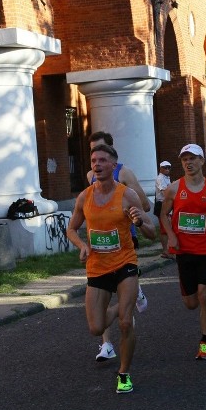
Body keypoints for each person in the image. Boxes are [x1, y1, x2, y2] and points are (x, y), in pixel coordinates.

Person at [66, 144, 156, 393]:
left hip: (125, 263)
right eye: (93, 160)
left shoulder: (127, 195)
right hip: (97, 267)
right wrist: (81, 245)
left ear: (113, 165)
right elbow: (71, 228)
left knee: (126, 323)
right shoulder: (84, 196)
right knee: (96, 327)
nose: (97, 164)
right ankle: (120, 306)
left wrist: (139, 220)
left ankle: (124, 374)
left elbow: (151, 232)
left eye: (103, 160)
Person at [160, 144, 206, 360]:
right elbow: (163, 215)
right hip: (184, 251)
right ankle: (202, 313)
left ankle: (205, 342)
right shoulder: (173, 188)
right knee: (191, 303)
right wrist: (171, 236)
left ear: (202, 161)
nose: (188, 163)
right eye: (184, 160)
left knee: (205, 294)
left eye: (192, 158)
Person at [85, 131, 151, 362]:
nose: (97, 161)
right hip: (100, 250)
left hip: (125, 239)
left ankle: (133, 294)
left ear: (112, 154)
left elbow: (146, 205)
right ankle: (106, 345)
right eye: (93, 155)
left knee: (124, 313)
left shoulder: (125, 173)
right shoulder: (89, 177)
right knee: (100, 310)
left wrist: (131, 213)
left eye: (102, 153)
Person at [154, 160, 173, 258]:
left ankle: (169, 249)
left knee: (168, 226)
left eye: (169, 167)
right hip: (161, 204)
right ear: (160, 169)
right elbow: (165, 193)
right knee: (164, 228)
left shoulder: (166, 178)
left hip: (166, 204)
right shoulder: (160, 178)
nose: (167, 169)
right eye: (165, 167)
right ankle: (165, 251)